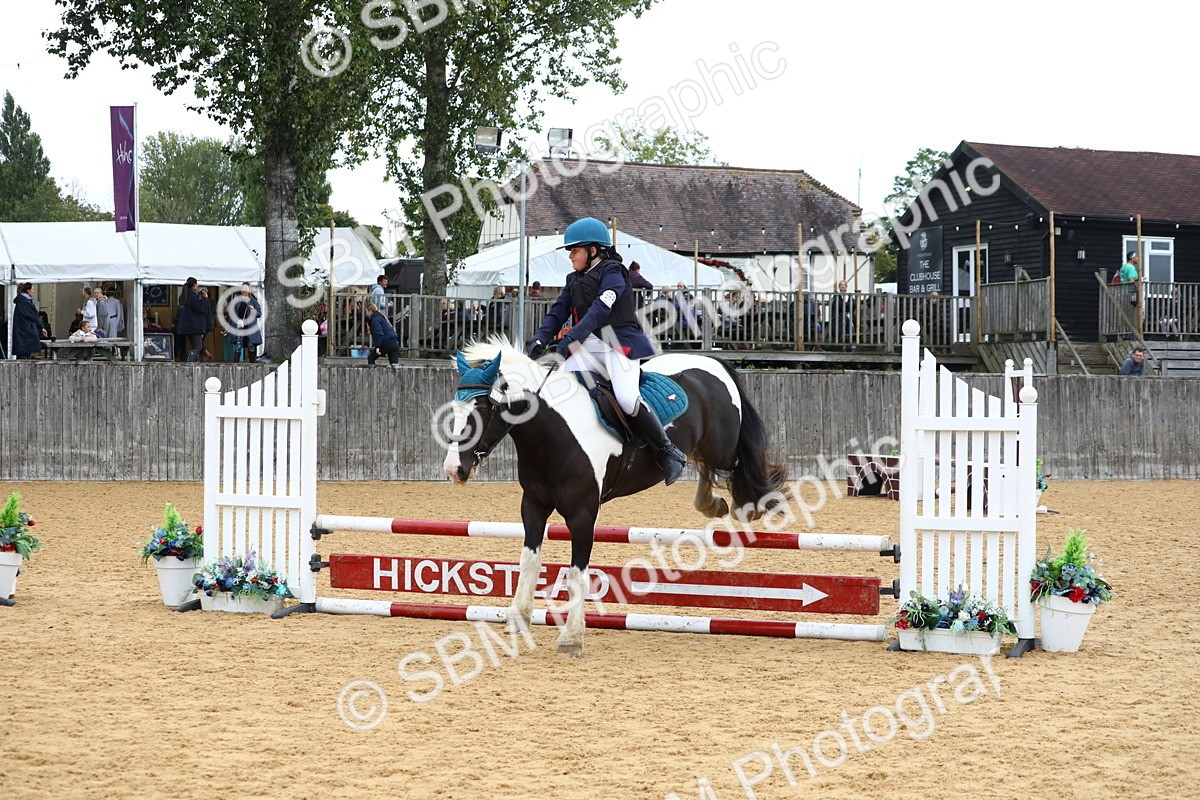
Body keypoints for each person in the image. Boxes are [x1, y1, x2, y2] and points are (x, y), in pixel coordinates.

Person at [526, 216, 686, 485]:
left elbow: (599, 311)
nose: (571, 257)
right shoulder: (574, 279)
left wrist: (570, 338)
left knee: (626, 398)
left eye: (574, 251)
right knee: (559, 386)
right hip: (588, 346)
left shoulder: (614, 273)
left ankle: (668, 451)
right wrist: (539, 339)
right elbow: (558, 312)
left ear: (593, 251)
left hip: (617, 345)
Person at [176, 277, 208, 362]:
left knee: (194, 346)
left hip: (186, 325)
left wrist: (199, 296)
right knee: (198, 347)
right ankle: (189, 363)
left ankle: (190, 361)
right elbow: (200, 309)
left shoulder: (183, 295)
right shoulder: (193, 296)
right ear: (194, 285)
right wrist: (204, 299)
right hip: (195, 325)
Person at [12, 282, 46, 359]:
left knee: (23, 356)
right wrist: (42, 327)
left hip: (22, 333)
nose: (33, 291)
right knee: (23, 357)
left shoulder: (22, 302)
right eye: (32, 289)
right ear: (28, 290)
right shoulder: (24, 302)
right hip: (25, 334)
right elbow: (33, 316)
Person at [231, 282, 263, 362]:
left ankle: (252, 363)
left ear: (249, 290)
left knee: (251, 345)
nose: (244, 290)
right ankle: (235, 364)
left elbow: (259, 314)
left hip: (250, 327)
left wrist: (253, 310)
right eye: (243, 288)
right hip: (240, 326)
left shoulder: (254, 301)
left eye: (246, 288)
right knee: (238, 345)